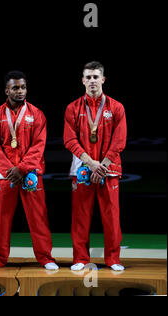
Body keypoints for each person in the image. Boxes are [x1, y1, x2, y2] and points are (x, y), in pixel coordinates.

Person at [0, 70, 58, 271]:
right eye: (15, 87)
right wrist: (11, 171)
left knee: (38, 216)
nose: (20, 91)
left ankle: (45, 258)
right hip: (5, 175)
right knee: (1, 218)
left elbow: (39, 146)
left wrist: (22, 169)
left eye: (23, 87)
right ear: (6, 90)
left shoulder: (37, 114)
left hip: (31, 174)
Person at [64, 61, 127, 271]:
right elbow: (69, 140)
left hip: (109, 170)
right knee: (80, 217)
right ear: (83, 81)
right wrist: (91, 164)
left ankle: (113, 260)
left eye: (95, 77)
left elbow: (120, 140)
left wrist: (103, 165)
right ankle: (80, 259)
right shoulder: (73, 108)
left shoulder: (116, 107)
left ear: (103, 79)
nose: (92, 81)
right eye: (88, 77)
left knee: (112, 218)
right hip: (82, 170)